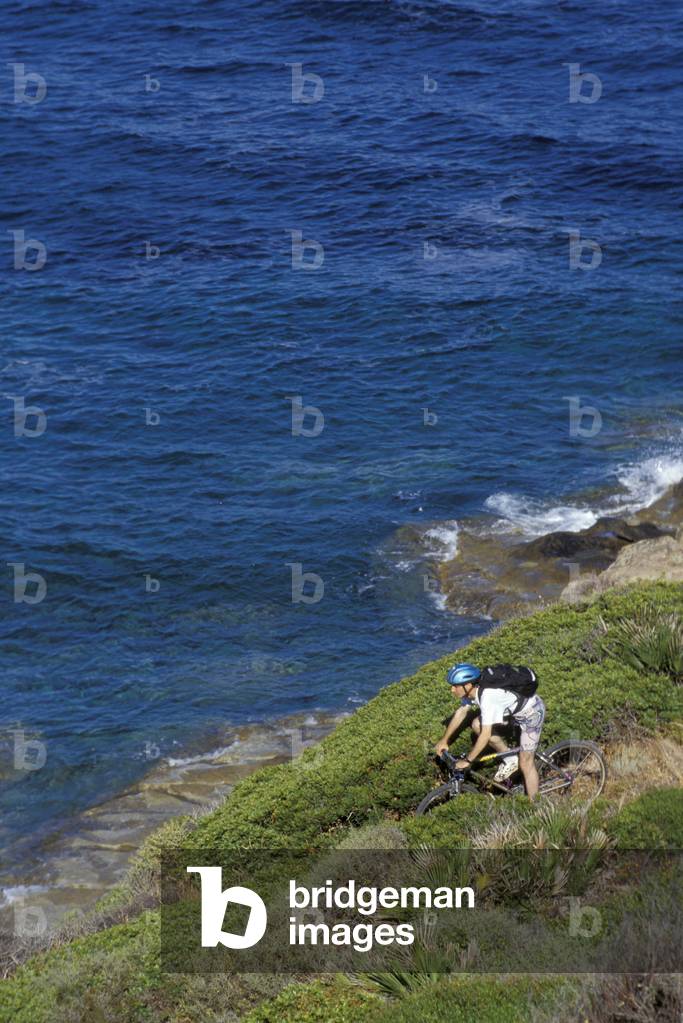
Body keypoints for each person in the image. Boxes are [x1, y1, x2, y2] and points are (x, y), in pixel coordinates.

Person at [434, 662, 546, 799]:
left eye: (455, 686)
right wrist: (444, 741)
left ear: (468, 685)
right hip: (513, 712)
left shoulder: (488, 698)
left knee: (526, 762)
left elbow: (485, 735)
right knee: (476, 724)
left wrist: (468, 761)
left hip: (531, 714)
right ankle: (510, 759)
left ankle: (535, 806)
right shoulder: (473, 691)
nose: (452, 690)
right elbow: (461, 712)